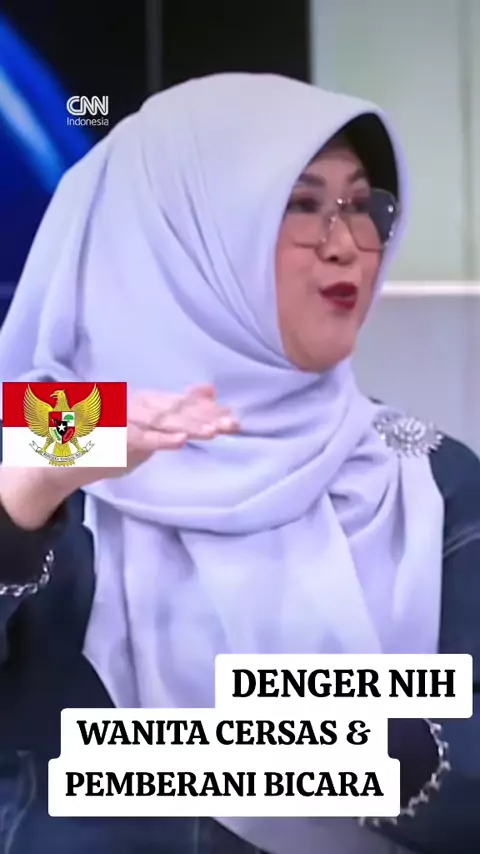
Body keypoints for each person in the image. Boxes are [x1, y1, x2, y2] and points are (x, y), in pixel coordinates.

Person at [0, 72, 478, 854]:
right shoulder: (41, 440)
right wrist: (33, 488)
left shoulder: (424, 479)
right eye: (301, 204)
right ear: (178, 230)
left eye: (362, 204)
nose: (347, 243)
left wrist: (161, 755)